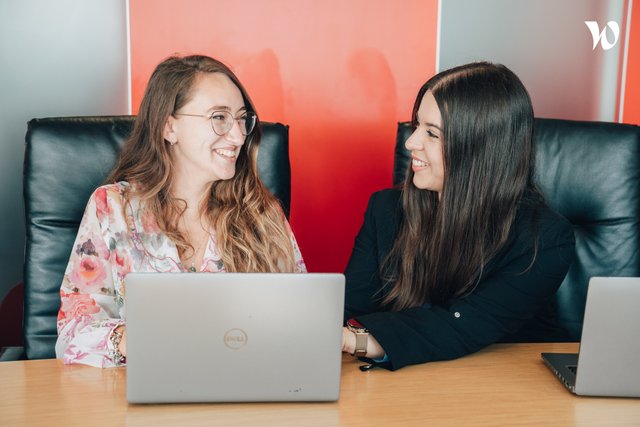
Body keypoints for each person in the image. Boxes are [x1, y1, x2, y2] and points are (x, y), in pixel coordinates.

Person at [55, 55, 306, 367]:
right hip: (140, 397)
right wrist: (128, 339)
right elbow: (71, 333)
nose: (239, 135)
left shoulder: (262, 213)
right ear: (169, 127)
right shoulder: (112, 208)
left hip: (243, 390)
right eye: (219, 117)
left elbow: (301, 320)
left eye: (242, 119)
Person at [342, 62, 575, 370]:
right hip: (403, 384)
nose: (411, 143)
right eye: (416, 126)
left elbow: (464, 325)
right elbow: (350, 309)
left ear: (480, 149)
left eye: (432, 134)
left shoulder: (542, 238)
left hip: (500, 387)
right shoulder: (385, 209)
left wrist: (356, 341)